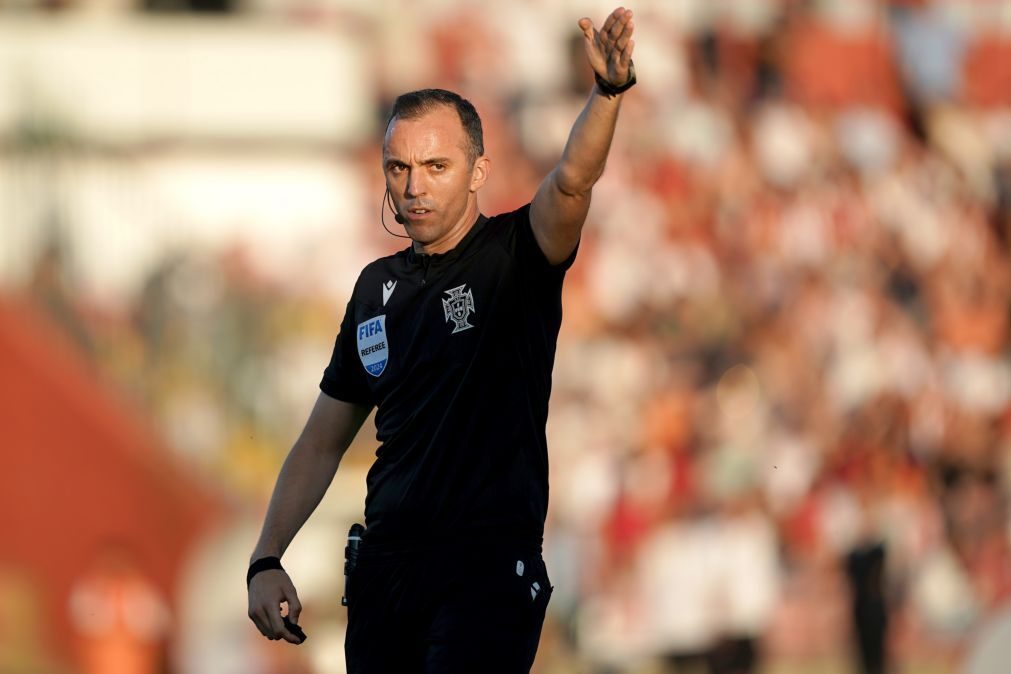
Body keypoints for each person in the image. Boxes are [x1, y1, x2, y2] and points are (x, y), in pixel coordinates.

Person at [247, 6, 636, 672]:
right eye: (398, 169)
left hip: (484, 565)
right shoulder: (375, 288)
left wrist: (606, 94)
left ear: (477, 172)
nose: (414, 186)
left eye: (435, 166)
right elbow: (322, 439)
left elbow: (572, 180)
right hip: (386, 569)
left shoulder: (516, 253)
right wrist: (266, 556)